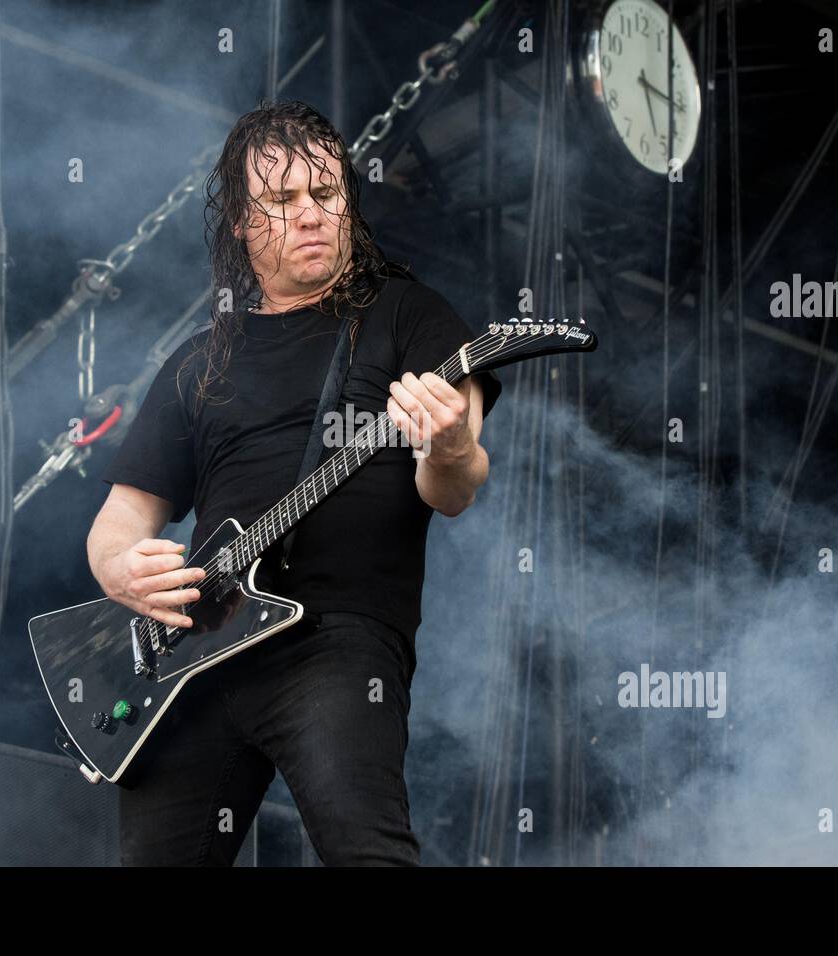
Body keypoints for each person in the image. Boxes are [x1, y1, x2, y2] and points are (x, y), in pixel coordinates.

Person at [88, 100, 502, 866]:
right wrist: (119, 569)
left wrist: (447, 446)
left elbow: (456, 488)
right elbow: (120, 519)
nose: (311, 215)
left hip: (335, 642)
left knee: (367, 852)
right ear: (243, 225)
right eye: (282, 202)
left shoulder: (409, 316)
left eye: (327, 194)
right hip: (194, 656)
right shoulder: (199, 360)